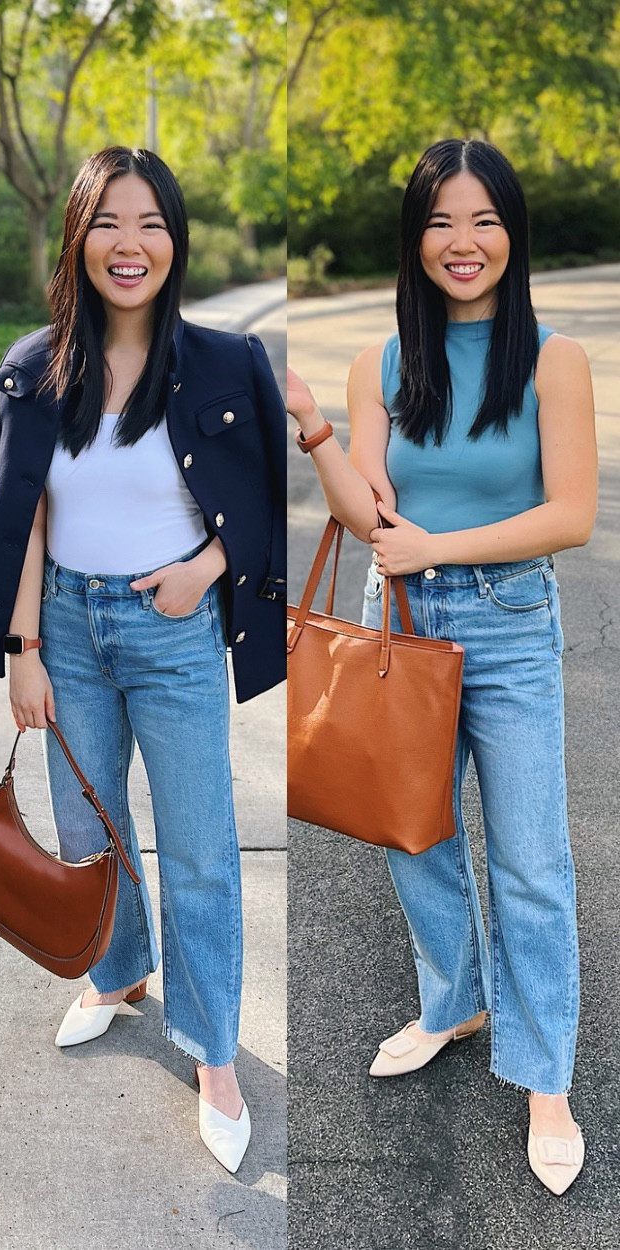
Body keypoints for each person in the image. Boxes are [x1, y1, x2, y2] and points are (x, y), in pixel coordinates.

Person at [0, 146, 287, 1173]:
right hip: (66, 633)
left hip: (174, 629)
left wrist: (207, 569)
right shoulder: (30, 366)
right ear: (77, 237)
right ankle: (117, 971)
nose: (128, 244)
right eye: (108, 222)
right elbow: (24, 519)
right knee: (85, 828)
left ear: (174, 239)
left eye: (149, 222)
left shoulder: (228, 361)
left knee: (197, 846)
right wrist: (21, 647)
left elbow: (270, 497)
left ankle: (211, 1047)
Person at [287, 138, 596, 1194]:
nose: (461, 243)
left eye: (481, 220)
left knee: (529, 861)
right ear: (414, 240)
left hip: (507, 621)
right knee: (408, 828)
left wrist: (439, 547)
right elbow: (365, 507)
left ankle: (544, 1075)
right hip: (404, 622)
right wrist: (316, 429)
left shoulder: (554, 359)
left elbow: (572, 515)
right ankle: (453, 997)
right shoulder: (382, 362)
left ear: (511, 231)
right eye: (439, 223)